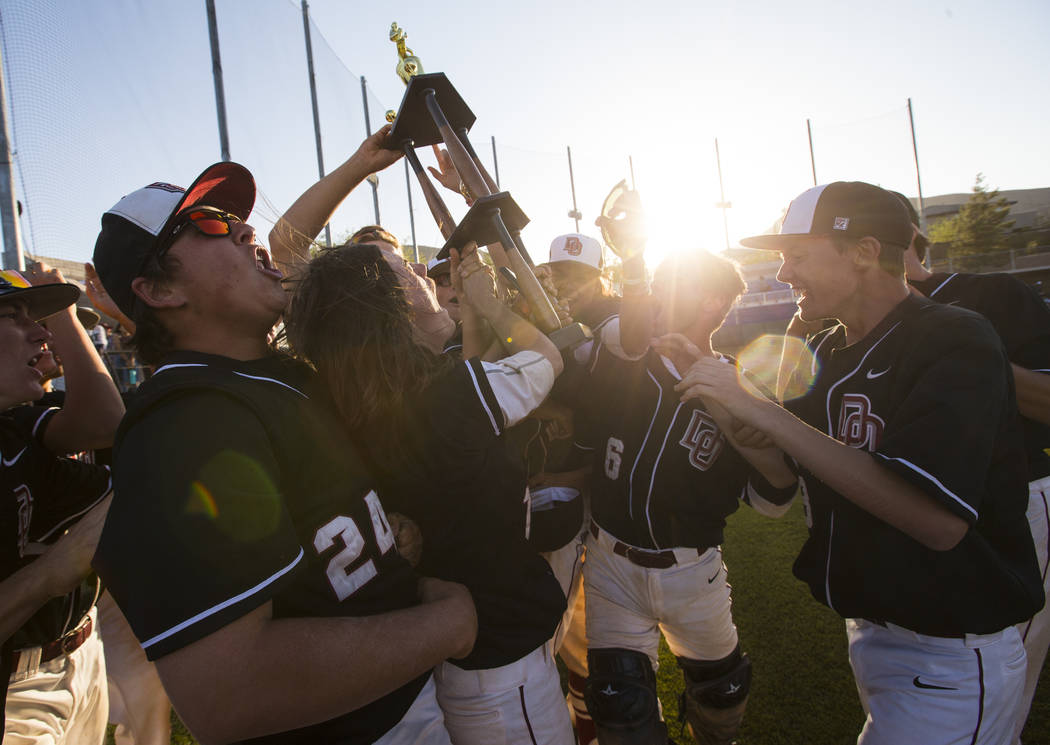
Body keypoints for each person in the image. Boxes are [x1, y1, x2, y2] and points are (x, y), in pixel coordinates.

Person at [91, 129, 478, 745]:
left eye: (235, 218)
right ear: (160, 289)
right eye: (209, 225)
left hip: (410, 698)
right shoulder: (185, 425)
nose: (244, 230)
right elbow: (229, 692)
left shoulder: (273, 376)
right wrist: (449, 623)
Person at [681, 181, 1043, 745]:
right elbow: (785, 473)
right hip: (876, 631)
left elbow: (937, 521)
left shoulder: (954, 336)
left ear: (865, 251)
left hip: (947, 646)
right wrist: (733, 417)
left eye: (797, 256)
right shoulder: (830, 349)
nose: (783, 275)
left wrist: (766, 413)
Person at [278, 144, 573, 743]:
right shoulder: (441, 401)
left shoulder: (365, 402)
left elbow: (465, 386)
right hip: (500, 653)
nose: (418, 270)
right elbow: (545, 359)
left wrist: (470, 318)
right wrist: (488, 303)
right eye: (402, 270)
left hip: (451, 647)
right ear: (387, 308)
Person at [572, 192, 798, 745]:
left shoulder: (744, 387)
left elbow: (778, 497)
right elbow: (623, 334)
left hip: (692, 572)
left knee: (722, 695)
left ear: (714, 303)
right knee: (618, 705)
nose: (660, 292)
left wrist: (728, 405)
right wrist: (632, 261)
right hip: (610, 562)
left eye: (679, 281)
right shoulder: (621, 350)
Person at [897, 191, 1050, 744]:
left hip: (1011, 497)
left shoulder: (993, 294)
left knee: (1003, 664)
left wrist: (974, 354)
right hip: (911, 503)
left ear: (910, 237)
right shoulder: (855, 325)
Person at [1, 265, 121, 744]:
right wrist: (51, 573)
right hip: (18, 685)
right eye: (13, 316)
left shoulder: (16, 428)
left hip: (80, 651)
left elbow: (104, 423)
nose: (40, 332)